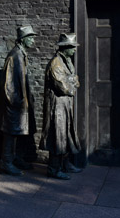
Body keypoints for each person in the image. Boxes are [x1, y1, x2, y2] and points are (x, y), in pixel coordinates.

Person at [0, 25, 37, 175]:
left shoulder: (22, 54)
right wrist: (16, 102)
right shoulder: (15, 56)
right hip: (14, 105)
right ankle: (6, 162)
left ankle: (17, 158)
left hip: (21, 104)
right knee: (10, 133)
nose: (33, 40)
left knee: (20, 132)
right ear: (23, 39)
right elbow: (8, 83)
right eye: (30, 38)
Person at [40, 33, 83, 179]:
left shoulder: (67, 61)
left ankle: (65, 164)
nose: (74, 50)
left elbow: (75, 80)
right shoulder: (56, 64)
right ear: (65, 48)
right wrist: (72, 84)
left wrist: (72, 82)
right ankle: (53, 168)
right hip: (56, 105)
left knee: (65, 134)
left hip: (64, 105)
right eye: (72, 47)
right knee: (57, 135)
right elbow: (64, 88)